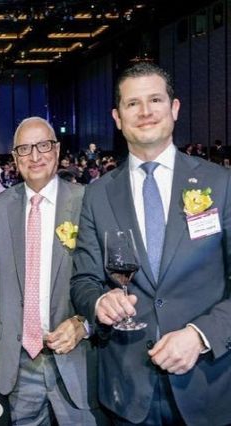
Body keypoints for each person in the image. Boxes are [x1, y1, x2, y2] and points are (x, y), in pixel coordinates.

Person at [70, 62, 231, 426]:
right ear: (117, 118)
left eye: (155, 100)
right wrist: (99, 301)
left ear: (174, 108)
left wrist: (201, 335)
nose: (145, 112)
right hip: (127, 389)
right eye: (132, 103)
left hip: (208, 381)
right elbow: (83, 280)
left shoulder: (221, 184)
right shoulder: (97, 194)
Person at [0, 117, 101, 425]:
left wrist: (84, 324)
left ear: (57, 150)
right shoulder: (3, 205)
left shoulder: (86, 201)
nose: (34, 156)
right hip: (20, 360)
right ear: (15, 158)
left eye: (43, 146)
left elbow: (107, 278)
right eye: (24, 149)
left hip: (75, 357)